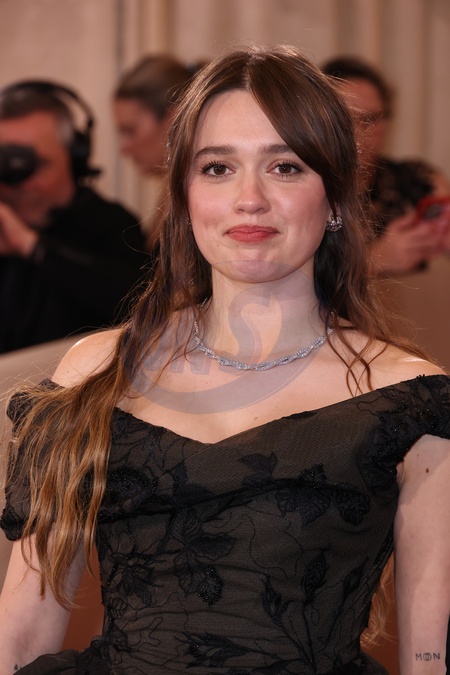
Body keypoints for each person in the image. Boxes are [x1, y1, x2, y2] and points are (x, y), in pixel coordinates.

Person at [0, 44, 449, 674]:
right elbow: (21, 634)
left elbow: (430, 658)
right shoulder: (94, 372)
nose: (249, 198)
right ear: (183, 196)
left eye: (285, 167)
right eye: (217, 168)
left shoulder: (410, 401)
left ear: (336, 198)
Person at [0, 80, 152, 353]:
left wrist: (32, 246)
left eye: (34, 165)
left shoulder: (112, 225)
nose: (18, 184)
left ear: (75, 158)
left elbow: (139, 305)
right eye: (5, 166)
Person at [322, 56, 450, 275]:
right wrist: (375, 259)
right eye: (346, 118)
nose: (359, 131)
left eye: (371, 118)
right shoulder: (304, 186)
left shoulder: (417, 179)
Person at [113, 54, 205, 248]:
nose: (124, 148)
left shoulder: (196, 200)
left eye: (130, 131)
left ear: (173, 119)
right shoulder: (172, 191)